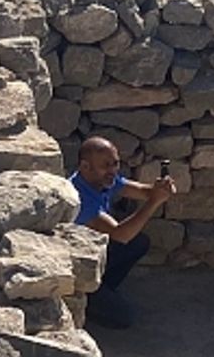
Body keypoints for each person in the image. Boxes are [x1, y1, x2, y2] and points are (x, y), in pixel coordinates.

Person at [70, 136, 176, 329]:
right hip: (76, 268)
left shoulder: (103, 180)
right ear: (85, 167)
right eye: (105, 165)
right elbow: (120, 235)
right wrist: (154, 201)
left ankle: (104, 286)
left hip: (94, 252)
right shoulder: (78, 198)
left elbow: (141, 191)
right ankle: (87, 298)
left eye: (115, 164)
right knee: (124, 318)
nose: (112, 170)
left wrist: (158, 190)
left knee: (139, 243)